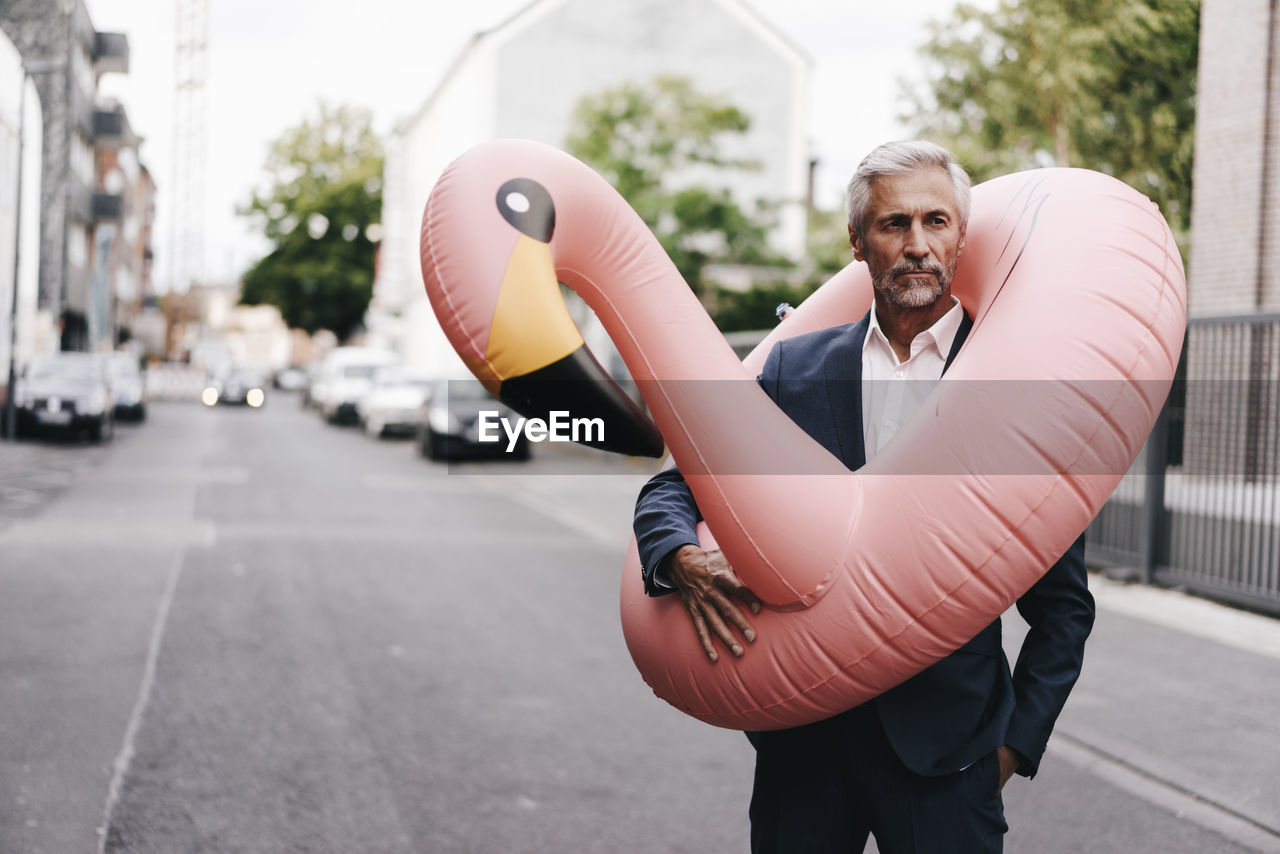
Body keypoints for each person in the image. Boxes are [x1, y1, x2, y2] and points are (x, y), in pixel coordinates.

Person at [632, 140, 1095, 853]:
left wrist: (1011, 749)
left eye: (936, 222)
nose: (917, 245)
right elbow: (675, 485)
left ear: (961, 237)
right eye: (893, 225)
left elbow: (1063, 609)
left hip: (949, 759)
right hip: (802, 750)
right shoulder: (793, 367)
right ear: (857, 242)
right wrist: (682, 559)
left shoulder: (1011, 389)